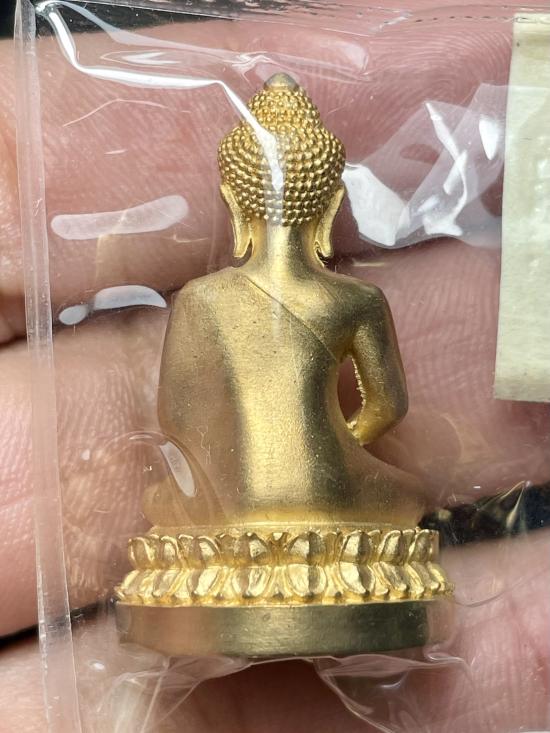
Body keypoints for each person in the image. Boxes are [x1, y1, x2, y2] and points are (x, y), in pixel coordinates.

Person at [0, 3, 549, 731]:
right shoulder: (355, 299)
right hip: (337, 495)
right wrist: (334, 446)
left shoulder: (203, 299)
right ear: (330, 201)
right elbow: (385, 409)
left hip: (231, 510)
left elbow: (177, 417)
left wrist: (235, 471)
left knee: (172, 509)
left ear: (235, 199)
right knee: (405, 495)